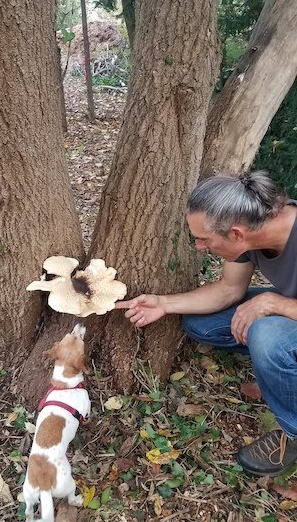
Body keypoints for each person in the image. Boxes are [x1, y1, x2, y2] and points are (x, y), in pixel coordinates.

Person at [116, 171, 297, 477]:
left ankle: (293, 434)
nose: (198, 246)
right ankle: (281, 365)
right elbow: (228, 290)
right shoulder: (250, 231)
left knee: (266, 335)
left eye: (203, 239)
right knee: (203, 325)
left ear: (236, 234)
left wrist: (273, 304)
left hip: (286, 306)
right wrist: (163, 303)